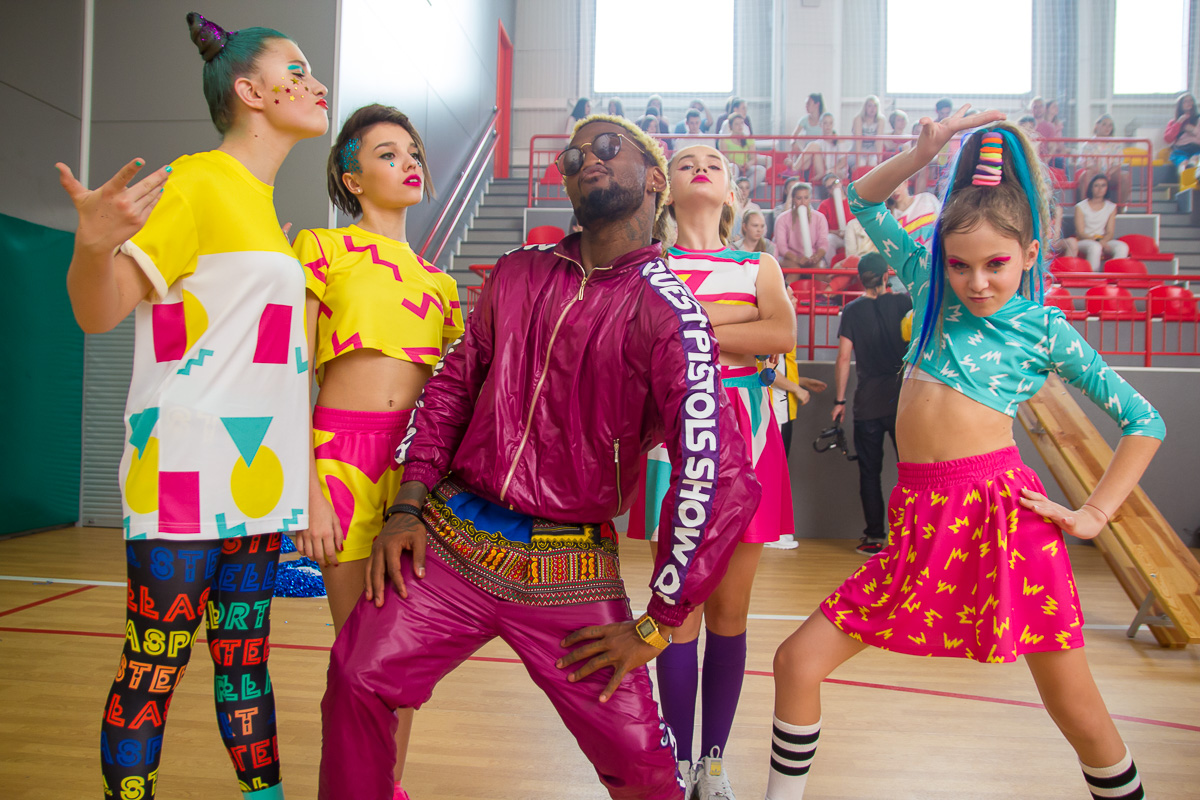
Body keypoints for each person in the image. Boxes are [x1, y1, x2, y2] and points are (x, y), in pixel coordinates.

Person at [317, 114, 760, 800]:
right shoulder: (518, 272)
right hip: (453, 538)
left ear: (654, 179)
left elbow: (717, 472)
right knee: (357, 678)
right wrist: (407, 506)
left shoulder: (672, 314)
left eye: (607, 146)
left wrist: (660, 622)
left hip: (570, 568)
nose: (587, 159)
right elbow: (450, 391)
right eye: (574, 156)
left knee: (645, 768)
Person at [764, 108, 1164, 800]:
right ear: (941, 260)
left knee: (1077, 709)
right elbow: (862, 201)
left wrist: (1096, 513)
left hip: (1002, 520)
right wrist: (920, 156)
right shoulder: (929, 289)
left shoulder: (1043, 328)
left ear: (1030, 254)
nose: (977, 281)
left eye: (996, 264)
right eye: (961, 265)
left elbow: (1144, 419)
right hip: (920, 519)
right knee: (796, 661)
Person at [56, 12, 329, 800]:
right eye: (297, 71)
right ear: (250, 91)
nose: (316, 84)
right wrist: (91, 246)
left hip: (257, 482)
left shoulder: (262, 208)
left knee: (246, 666)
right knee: (154, 664)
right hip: (182, 475)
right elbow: (99, 311)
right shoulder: (195, 181)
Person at [292, 104, 463, 800]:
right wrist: (305, 490)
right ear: (352, 179)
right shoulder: (319, 248)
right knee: (356, 656)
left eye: (412, 151)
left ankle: (383, 788)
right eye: (388, 154)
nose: (409, 162)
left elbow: (451, 401)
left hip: (413, 475)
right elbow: (287, 371)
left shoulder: (440, 282)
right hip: (339, 460)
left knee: (397, 658)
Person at [628, 143, 795, 800]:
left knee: (730, 610)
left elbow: (780, 335)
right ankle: (676, 761)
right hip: (674, 434)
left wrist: (689, 325)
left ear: (732, 192)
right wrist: (740, 317)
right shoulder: (648, 265)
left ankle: (713, 764)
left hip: (749, 434)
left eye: (715, 162)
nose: (701, 165)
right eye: (686, 161)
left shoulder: (759, 264)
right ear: (665, 188)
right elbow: (645, 339)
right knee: (678, 612)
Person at [830, 253, 912, 555]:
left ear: (861, 278)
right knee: (912, 474)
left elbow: (843, 358)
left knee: (869, 473)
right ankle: (912, 538)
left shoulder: (852, 310)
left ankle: (875, 537)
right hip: (903, 403)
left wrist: (839, 401)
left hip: (867, 405)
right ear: (886, 276)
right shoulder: (904, 303)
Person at [1069, 174, 1130, 270]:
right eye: (1096, 185)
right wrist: (1098, 242)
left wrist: (1103, 242)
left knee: (1122, 247)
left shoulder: (1111, 207)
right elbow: (1080, 233)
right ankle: (1093, 276)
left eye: (1103, 185)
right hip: (1084, 240)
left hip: (1102, 239)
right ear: (1091, 188)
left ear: (1107, 188)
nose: (1100, 189)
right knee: (1095, 247)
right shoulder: (1080, 206)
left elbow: (1110, 232)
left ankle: (1113, 274)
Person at [1075, 114, 1131, 204]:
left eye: (1110, 125)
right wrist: (1099, 173)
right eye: (1104, 124)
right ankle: (1084, 207)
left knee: (1125, 176)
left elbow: (1117, 163)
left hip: (1111, 174)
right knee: (1085, 175)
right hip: (1094, 174)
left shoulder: (1116, 144)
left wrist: (1109, 173)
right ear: (1097, 126)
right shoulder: (1088, 144)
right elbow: (1088, 164)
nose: (1107, 128)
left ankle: (1120, 208)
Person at [774, 182, 829, 271]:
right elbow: (781, 246)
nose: (803, 202)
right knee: (795, 269)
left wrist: (817, 256)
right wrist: (796, 259)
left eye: (806, 198)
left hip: (813, 257)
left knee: (820, 268)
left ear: (810, 198)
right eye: (799, 198)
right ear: (793, 199)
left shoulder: (819, 218)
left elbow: (823, 242)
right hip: (789, 258)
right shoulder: (782, 219)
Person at [720, 114, 769, 190]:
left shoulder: (749, 139)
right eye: (736, 124)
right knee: (734, 167)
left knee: (761, 170)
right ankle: (734, 191)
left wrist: (748, 164)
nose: (740, 126)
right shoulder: (724, 140)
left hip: (745, 168)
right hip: (732, 168)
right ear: (730, 126)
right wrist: (737, 165)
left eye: (741, 123)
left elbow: (753, 158)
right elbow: (725, 158)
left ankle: (744, 190)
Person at [888, 178, 940, 249]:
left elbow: (943, 220)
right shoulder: (891, 218)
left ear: (905, 183)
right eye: (891, 188)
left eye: (898, 185)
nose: (895, 191)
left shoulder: (927, 199)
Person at [1164, 92, 1200, 173]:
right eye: (1185, 101)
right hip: (1181, 150)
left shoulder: (1198, 119)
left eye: (1190, 100)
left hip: (1197, 149)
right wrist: (1178, 123)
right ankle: (1184, 174)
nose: (1189, 103)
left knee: (1195, 160)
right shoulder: (1173, 122)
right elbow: (1168, 139)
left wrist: (1193, 130)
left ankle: (1193, 170)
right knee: (1183, 163)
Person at [817, 173, 852, 255]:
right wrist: (835, 232)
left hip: (853, 234)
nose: (834, 187)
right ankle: (831, 263)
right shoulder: (825, 205)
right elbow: (819, 227)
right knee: (828, 240)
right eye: (830, 187)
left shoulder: (853, 201)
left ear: (840, 182)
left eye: (835, 183)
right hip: (836, 236)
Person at [851, 95, 884, 167]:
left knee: (874, 164)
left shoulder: (880, 120)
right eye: (870, 106)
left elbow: (879, 141)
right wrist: (858, 159)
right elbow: (858, 140)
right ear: (865, 107)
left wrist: (879, 160)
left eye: (875, 106)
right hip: (858, 151)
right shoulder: (858, 119)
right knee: (861, 163)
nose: (872, 109)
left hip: (872, 152)